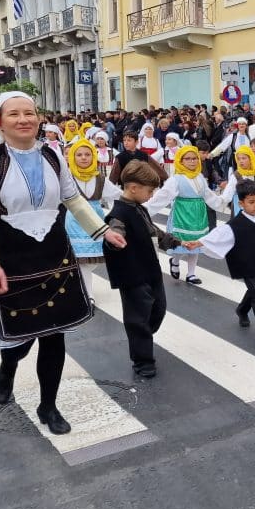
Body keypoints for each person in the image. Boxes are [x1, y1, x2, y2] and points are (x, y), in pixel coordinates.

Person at [0, 91, 127, 435]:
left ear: (39, 118)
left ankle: (48, 405)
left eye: (30, 112)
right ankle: (9, 365)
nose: (24, 119)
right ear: (0, 120)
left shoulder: (53, 155)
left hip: (54, 253)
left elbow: (73, 199)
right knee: (20, 336)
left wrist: (102, 231)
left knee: (54, 336)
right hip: (11, 255)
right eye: (14, 114)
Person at [186, 180, 255, 348]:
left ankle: (242, 309)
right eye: (251, 202)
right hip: (247, 265)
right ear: (241, 203)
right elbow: (217, 236)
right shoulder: (234, 225)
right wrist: (199, 242)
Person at [103, 160, 179, 378]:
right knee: (137, 317)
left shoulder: (139, 209)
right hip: (132, 274)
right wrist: (114, 241)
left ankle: (142, 338)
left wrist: (171, 241)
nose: (151, 195)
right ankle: (142, 359)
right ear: (133, 188)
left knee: (158, 309)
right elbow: (113, 233)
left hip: (151, 269)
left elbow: (152, 230)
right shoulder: (119, 214)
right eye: (149, 190)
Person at [146, 144, 226, 284]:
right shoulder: (176, 179)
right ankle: (175, 261)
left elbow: (208, 195)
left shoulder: (200, 177)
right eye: (188, 159)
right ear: (181, 161)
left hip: (199, 215)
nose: (192, 161)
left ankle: (191, 274)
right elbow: (162, 197)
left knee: (196, 244)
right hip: (182, 214)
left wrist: (222, 202)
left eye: (194, 158)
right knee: (181, 242)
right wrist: (144, 209)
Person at [65, 139, 124, 300]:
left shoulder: (100, 179)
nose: (83, 158)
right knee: (82, 259)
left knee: (92, 259)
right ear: (72, 157)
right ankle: (87, 293)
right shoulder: (67, 178)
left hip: (97, 221)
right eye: (79, 154)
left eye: (87, 154)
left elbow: (117, 195)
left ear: (93, 156)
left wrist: (134, 199)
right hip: (75, 220)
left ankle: (79, 282)